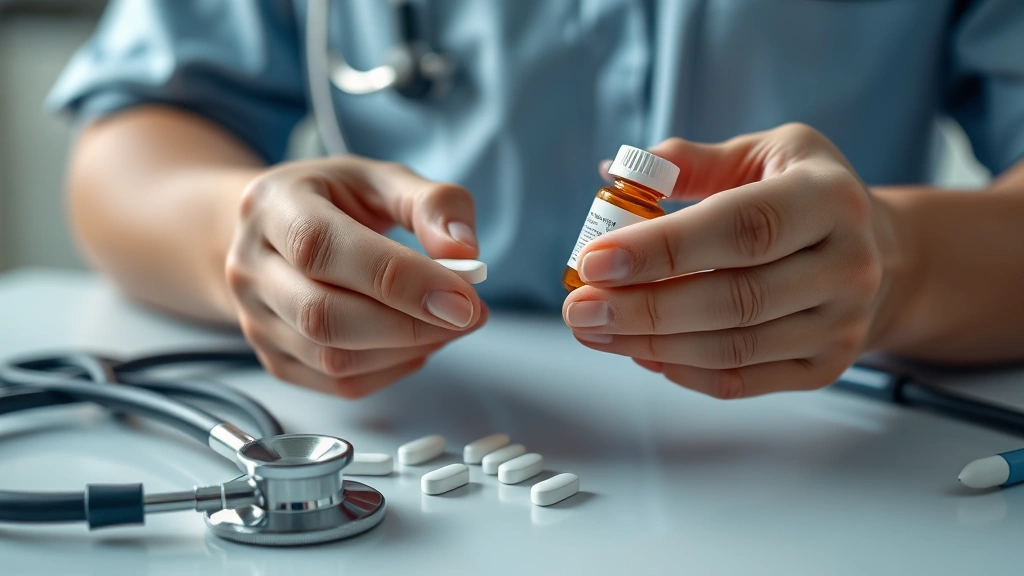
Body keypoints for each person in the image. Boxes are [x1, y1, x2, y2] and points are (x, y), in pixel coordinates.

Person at [48, 0, 1024, 400]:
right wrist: (248, 241)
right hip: (428, 404)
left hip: (835, 436)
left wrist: (895, 265)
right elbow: (132, 140)